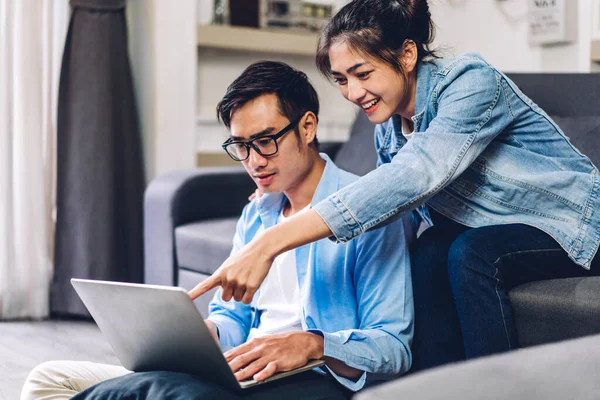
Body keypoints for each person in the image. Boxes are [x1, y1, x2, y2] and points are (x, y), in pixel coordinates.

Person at [189, 0, 600, 372]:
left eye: (362, 74)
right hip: (497, 229)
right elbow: (393, 208)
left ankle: (496, 389)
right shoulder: (388, 129)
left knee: (470, 255)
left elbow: (414, 177)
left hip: (576, 225)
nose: (353, 92)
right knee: (429, 251)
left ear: (406, 55)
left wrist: (270, 242)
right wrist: (279, 191)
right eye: (341, 80)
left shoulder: (471, 83)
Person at [22, 61, 416, 400]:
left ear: (308, 127)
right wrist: (204, 337)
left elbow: (394, 347)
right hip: (235, 373)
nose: (253, 161)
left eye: (265, 141)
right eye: (241, 145)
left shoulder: (367, 211)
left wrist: (313, 344)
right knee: (49, 379)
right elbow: (233, 318)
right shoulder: (258, 213)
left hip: (304, 382)